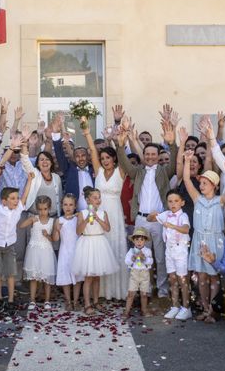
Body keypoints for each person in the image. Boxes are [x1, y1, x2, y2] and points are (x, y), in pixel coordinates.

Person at [116, 119, 178, 298]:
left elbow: (174, 163)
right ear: (143, 156)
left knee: (160, 257)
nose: (150, 157)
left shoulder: (164, 171)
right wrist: (120, 146)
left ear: (158, 156)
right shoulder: (138, 172)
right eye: (147, 154)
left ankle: (163, 290)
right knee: (141, 257)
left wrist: (172, 143)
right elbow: (124, 162)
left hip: (159, 220)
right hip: (141, 220)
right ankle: (145, 289)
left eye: (153, 154)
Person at [183, 150, 225, 323]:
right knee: (201, 276)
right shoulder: (197, 199)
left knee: (214, 275)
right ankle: (205, 308)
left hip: (215, 240)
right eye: (201, 182)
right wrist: (187, 160)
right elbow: (186, 180)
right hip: (200, 239)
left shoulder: (220, 200)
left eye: (206, 183)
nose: (202, 185)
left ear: (214, 185)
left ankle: (213, 309)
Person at [81, 116, 129, 301]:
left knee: (115, 247)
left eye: (108, 157)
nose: (104, 160)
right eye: (102, 158)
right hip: (98, 211)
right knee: (100, 248)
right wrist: (86, 132)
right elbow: (92, 149)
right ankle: (99, 292)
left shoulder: (120, 171)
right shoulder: (99, 171)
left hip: (115, 212)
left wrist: (120, 140)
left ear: (114, 158)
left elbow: (123, 155)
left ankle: (117, 291)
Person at [0, 166, 34, 315]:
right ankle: (0, 298)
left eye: (17, 198)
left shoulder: (18, 209)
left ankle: (10, 299)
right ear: (4, 201)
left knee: (10, 273)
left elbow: (25, 195)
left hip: (10, 245)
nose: (17, 201)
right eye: (13, 198)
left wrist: (29, 180)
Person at [72, 187, 119, 315]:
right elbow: (78, 231)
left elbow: (107, 228)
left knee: (97, 276)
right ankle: (87, 304)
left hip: (99, 243)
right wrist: (87, 219)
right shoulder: (82, 213)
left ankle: (96, 301)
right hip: (87, 243)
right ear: (88, 200)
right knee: (88, 277)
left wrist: (98, 218)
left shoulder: (103, 213)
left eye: (99, 197)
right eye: (95, 198)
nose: (98, 200)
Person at [149, 190, 192, 321]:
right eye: (170, 201)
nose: (173, 204)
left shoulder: (183, 216)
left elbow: (186, 229)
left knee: (182, 280)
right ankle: (175, 306)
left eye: (176, 201)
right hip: (169, 250)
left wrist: (172, 225)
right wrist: (153, 215)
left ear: (182, 202)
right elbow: (149, 219)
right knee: (172, 279)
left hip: (180, 250)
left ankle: (186, 307)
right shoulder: (166, 214)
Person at [20, 195, 57, 310]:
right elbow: (21, 226)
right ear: (37, 208)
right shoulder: (34, 219)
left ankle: (47, 300)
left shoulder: (52, 221)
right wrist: (31, 219)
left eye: (45, 209)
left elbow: (54, 239)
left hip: (46, 251)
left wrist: (48, 235)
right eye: (40, 209)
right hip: (34, 251)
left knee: (46, 278)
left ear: (49, 208)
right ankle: (32, 300)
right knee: (34, 277)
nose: (42, 212)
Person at [53, 115, 95, 212]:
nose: (80, 159)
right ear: (74, 158)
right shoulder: (69, 170)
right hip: (75, 215)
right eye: (77, 156)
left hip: (95, 213)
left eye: (83, 155)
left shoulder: (95, 169)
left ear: (88, 157)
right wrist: (55, 133)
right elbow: (59, 154)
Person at [53, 194, 81, 311]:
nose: (68, 207)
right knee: (65, 276)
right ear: (62, 206)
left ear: (75, 206)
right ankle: (68, 300)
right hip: (65, 251)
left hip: (76, 250)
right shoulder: (58, 220)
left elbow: (80, 233)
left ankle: (75, 300)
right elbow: (55, 239)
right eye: (65, 204)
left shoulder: (77, 219)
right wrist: (57, 230)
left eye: (71, 205)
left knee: (77, 278)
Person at [123, 228, 154, 318]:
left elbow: (151, 262)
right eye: (137, 239)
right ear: (133, 241)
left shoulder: (147, 251)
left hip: (144, 274)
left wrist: (144, 258)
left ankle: (144, 310)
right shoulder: (131, 251)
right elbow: (127, 261)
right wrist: (132, 258)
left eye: (141, 239)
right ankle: (127, 311)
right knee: (131, 293)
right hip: (134, 274)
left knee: (144, 294)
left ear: (145, 241)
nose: (139, 242)